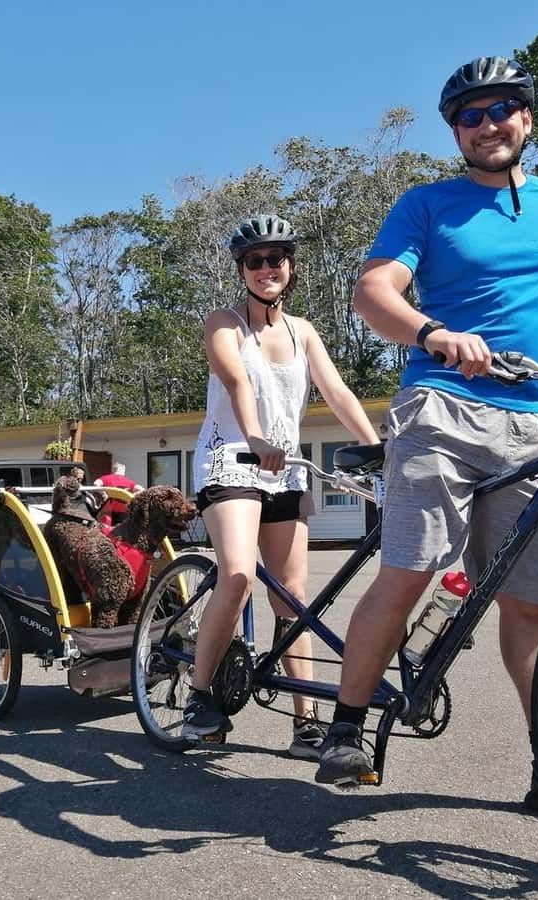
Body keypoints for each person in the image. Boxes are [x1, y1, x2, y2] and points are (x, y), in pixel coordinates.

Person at [314, 56, 538, 828]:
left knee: (532, 606)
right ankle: (345, 728)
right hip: (442, 404)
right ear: (456, 132)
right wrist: (436, 333)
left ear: (527, 118)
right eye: (469, 117)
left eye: (500, 110)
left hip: (527, 419)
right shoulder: (428, 205)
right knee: (411, 569)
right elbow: (374, 291)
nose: (486, 126)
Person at [185, 214, 380, 758]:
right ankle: (200, 699)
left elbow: (336, 391)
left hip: (286, 468)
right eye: (255, 261)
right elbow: (236, 379)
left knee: (293, 598)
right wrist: (253, 435)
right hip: (232, 459)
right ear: (242, 270)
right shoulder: (225, 322)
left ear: (290, 267)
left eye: (276, 259)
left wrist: (375, 446)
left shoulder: (304, 331)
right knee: (240, 574)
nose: (267, 269)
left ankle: (307, 722)